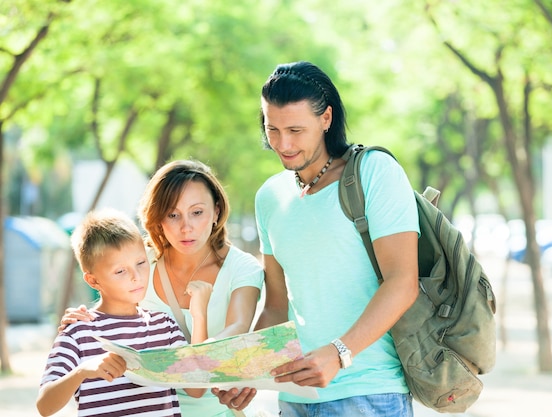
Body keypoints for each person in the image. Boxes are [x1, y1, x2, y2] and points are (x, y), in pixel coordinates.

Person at [214, 61, 420, 416]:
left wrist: (339, 353)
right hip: (295, 398)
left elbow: (403, 282)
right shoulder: (270, 197)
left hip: (368, 394)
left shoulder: (374, 172)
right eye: (272, 129)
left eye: (296, 129)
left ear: (326, 119)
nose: (283, 144)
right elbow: (278, 306)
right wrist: (249, 369)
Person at [59, 160, 264, 417]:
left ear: (216, 211)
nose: (186, 227)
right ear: (158, 219)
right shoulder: (141, 262)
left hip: (214, 411)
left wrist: (212, 357)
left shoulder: (242, 267)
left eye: (197, 212)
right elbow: (113, 308)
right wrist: (86, 319)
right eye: (173, 214)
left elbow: (237, 329)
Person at [37, 208, 211, 417]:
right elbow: (44, 406)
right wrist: (82, 371)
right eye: (120, 271)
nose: (136, 276)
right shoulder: (79, 332)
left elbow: (197, 388)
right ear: (93, 280)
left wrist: (199, 316)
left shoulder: (163, 326)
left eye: (141, 263)